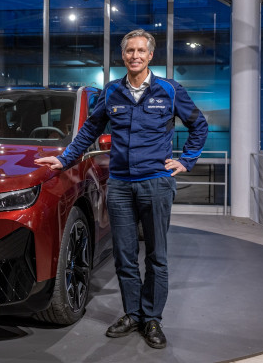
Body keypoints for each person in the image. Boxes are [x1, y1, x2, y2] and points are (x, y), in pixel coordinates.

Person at [35, 29, 208, 349]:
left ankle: (152, 318)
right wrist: (64, 159)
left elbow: (199, 125)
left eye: (141, 50)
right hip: (120, 186)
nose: (135, 56)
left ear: (150, 55)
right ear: (123, 54)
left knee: (157, 255)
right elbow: (89, 130)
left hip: (156, 183)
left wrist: (186, 161)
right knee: (125, 256)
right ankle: (132, 313)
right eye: (130, 51)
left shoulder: (170, 90)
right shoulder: (112, 92)